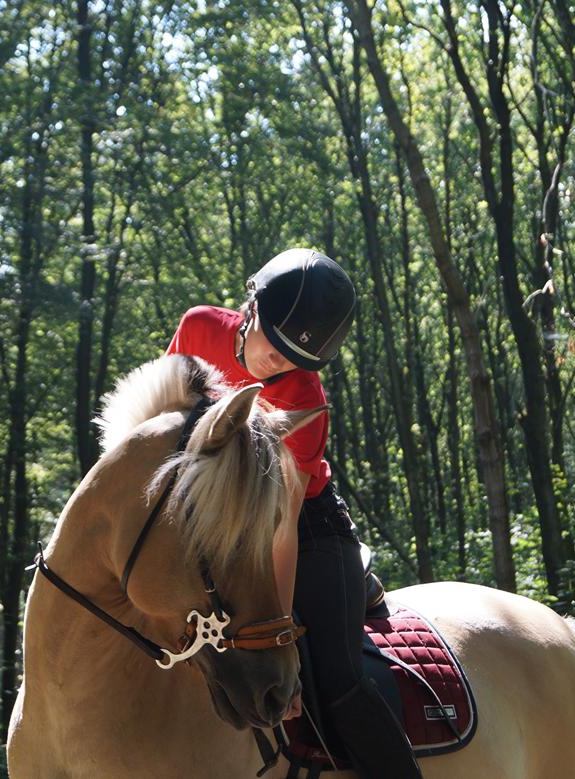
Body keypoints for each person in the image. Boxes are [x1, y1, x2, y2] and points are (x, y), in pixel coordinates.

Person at [167, 248, 423, 778]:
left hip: (304, 527)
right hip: (204, 515)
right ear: (252, 307)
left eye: (297, 359)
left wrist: (282, 637)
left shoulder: (305, 396)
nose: (280, 364)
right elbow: (163, 429)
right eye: (277, 347)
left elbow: (279, 526)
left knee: (336, 677)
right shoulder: (197, 329)